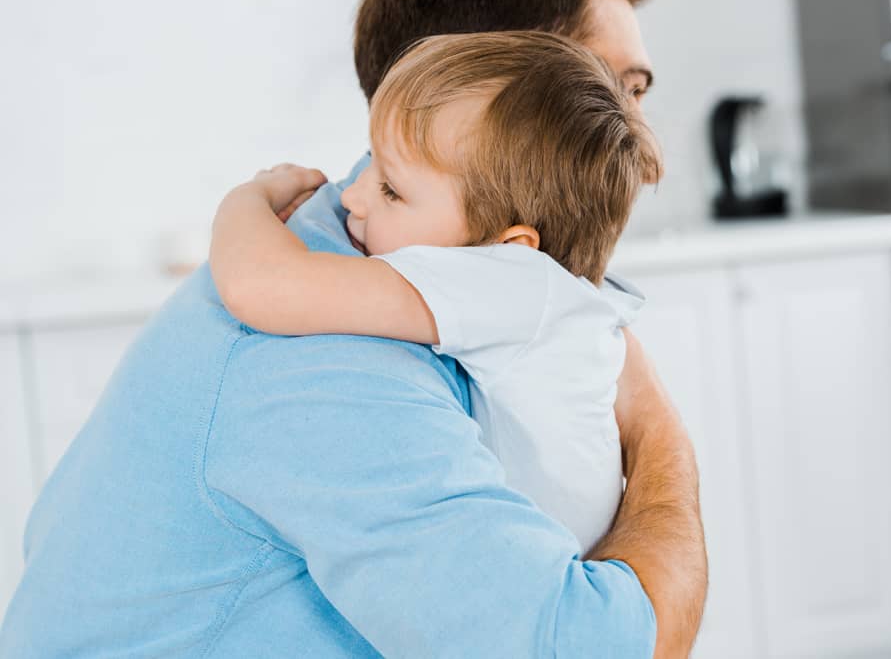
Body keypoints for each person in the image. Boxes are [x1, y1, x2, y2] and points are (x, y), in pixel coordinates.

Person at [0, 0, 707, 657]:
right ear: (485, 82)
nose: (636, 149)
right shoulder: (326, 351)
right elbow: (589, 648)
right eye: (609, 94)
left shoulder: (424, 268)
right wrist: (656, 431)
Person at [209, 31, 659, 555]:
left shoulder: (512, 282)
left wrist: (249, 197)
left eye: (391, 190)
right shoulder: (555, 299)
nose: (350, 197)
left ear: (509, 244)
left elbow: (261, 286)